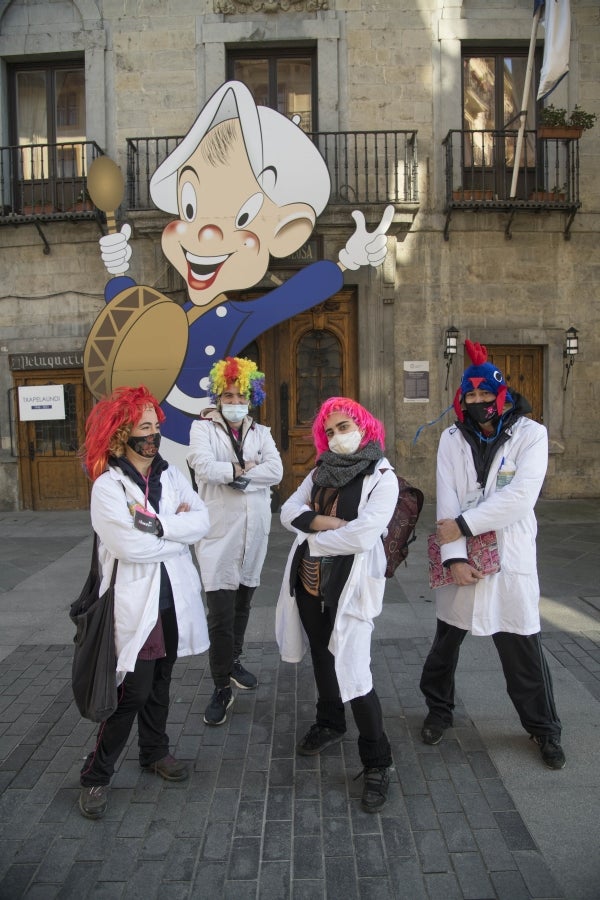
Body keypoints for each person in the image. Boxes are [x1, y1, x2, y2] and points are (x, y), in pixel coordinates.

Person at [420, 340, 566, 770]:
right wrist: (454, 556)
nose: (479, 402)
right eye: (471, 396)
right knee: (445, 645)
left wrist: (464, 527)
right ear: (461, 399)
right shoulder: (451, 438)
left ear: (501, 394)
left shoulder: (531, 435)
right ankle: (438, 711)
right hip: (463, 557)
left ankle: (544, 730)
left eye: (486, 395)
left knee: (522, 647)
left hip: (509, 554)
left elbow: (520, 499)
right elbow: (446, 499)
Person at [77, 385, 210, 820]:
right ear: (120, 434)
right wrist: (176, 534)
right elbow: (130, 549)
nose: (153, 435)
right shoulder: (108, 487)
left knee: (161, 681)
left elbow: (202, 520)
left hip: (172, 598)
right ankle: (96, 775)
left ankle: (155, 751)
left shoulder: (171, 474)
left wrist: (160, 529)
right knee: (131, 692)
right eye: (143, 427)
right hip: (135, 603)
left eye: (156, 426)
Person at [275, 397, 399, 813]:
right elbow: (288, 509)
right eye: (329, 431)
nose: (336, 436)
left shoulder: (382, 476)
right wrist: (323, 523)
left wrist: (310, 535)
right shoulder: (320, 470)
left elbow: (364, 536)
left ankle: (378, 761)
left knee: (355, 670)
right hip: (310, 582)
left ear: (363, 425)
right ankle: (330, 721)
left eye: (343, 426)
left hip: (351, 586)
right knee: (321, 656)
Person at [187, 356, 283, 726]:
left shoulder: (262, 433)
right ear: (218, 397)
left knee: (243, 604)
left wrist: (237, 475)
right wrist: (242, 470)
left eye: (239, 395)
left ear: (251, 396)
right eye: (227, 396)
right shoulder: (202, 429)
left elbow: (276, 471)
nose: (233, 402)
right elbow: (203, 467)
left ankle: (234, 661)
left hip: (253, 533)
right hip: (219, 534)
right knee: (221, 614)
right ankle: (219, 686)